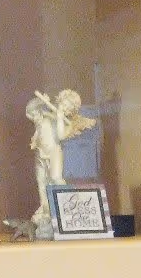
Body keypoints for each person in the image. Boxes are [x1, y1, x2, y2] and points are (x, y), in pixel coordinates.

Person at [26, 89, 95, 237]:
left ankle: (66, 206)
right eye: (65, 103)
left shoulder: (65, 123)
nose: (66, 107)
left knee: (56, 178)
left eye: (70, 107)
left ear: (72, 112)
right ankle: (45, 208)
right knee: (41, 182)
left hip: (54, 153)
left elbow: (61, 135)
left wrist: (59, 117)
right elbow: (30, 110)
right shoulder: (44, 115)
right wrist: (39, 101)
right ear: (60, 99)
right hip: (40, 153)